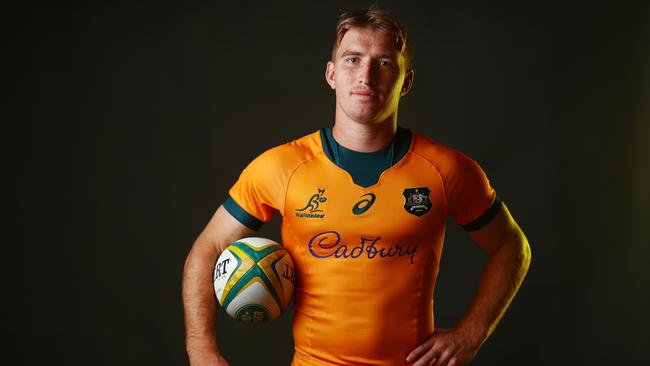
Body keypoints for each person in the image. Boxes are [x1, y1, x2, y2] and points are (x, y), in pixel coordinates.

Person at [183, 6, 531, 366]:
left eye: (383, 63)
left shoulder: (446, 169)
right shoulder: (281, 167)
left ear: (405, 81)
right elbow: (209, 246)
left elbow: (512, 247)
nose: (365, 75)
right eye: (352, 60)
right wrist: (201, 349)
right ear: (331, 74)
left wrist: (471, 334)